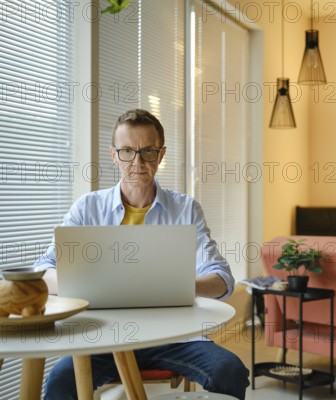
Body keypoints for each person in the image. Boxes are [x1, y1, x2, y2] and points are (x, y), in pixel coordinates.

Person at [35, 109, 249, 399]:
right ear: (114, 155)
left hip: (175, 338)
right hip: (103, 339)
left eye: (147, 151)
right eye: (127, 151)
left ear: (161, 155)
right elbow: (42, 272)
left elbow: (222, 279)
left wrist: (171, 287)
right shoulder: (87, 208)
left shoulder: (185, 209)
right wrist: (83, 283)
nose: (137, 162)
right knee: (60, 382)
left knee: (230, 371)